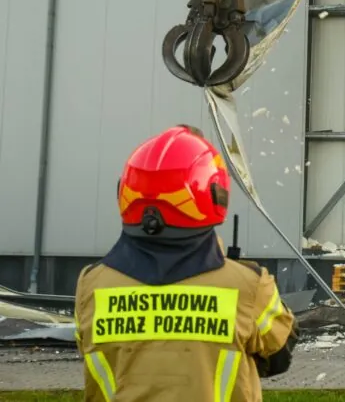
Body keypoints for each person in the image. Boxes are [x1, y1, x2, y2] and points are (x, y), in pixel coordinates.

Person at [73, 124, 298, 402]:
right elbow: (279, 356)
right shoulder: (248, 285)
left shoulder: (91, 284)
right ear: (214, 192)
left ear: (125, 192)